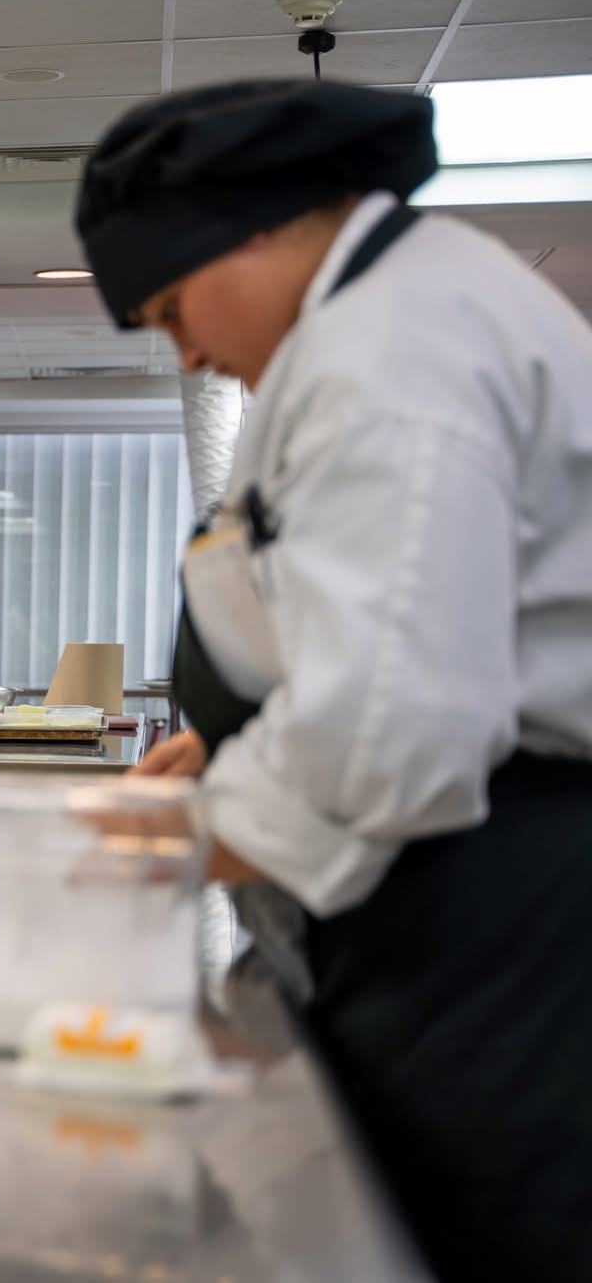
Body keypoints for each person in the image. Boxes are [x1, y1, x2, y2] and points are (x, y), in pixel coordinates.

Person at [75, 79, 592, 1282]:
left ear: (251, 227)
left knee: (486, 1234)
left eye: (168, 309)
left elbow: (396, 742)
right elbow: (397, 626)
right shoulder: (380, 318)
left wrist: (162, 839)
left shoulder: (390, 355)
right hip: (460, 885)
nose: (188, 350)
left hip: (495, 917)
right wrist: (229, 748)